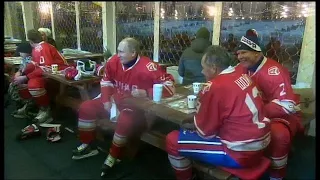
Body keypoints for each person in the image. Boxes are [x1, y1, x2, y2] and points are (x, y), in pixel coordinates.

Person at [72, 37, 175, 177]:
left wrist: (146, 92)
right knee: (86, 107)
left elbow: (170, 87)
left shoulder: (149, 67)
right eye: (118, 51)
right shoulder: (114, 61)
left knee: (125, 121)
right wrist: (106, 99)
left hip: (135, 107)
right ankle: (88, 143)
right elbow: (106, 80)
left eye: (121, 51)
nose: (118, 54)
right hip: (115, 100)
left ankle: (114, 155)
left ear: (133, 53)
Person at [166, 45, 271, 180]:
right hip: (262, 141)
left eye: (204, 67)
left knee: (173, 139)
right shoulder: (242, 75)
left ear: (214, 68)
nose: (202, 72)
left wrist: (194, 122)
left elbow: (205, 132)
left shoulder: (215, 86)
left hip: (241, 152)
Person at [235, 31, 303, 180]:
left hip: (280, 116)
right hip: (253, 113)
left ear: (256, 52)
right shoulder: (241, 68)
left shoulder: (275, 71)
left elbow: (288, 105)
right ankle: (247, 165)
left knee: (279, 135)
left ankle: (277, 175)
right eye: (238, 53)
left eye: (244, 52)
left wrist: (255, 112)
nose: (239, 57)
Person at [12, 29, 68, 124]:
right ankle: (30, 104)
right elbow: (35, 65)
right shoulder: (38, 48)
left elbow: (46, 68)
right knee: (20, 80)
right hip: (50, 74)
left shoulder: (42, 48)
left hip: (59, 75)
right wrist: (21, 72)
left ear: (30, 41)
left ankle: (45, 110)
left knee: (33, 83)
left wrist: (26, 77)